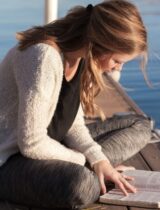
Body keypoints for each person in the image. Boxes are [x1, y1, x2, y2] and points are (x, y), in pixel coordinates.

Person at [0, 0, 152, 209]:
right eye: (117, 61)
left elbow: (73, 125)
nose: (118, 69)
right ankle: (92, 174)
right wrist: (84, 160)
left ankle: (99, 170)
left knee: (140, 125)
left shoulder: (79, 57)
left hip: (51, 146)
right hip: (10, 161)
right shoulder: (43, 57)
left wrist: (99, 160)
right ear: (99, 43)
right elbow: (31, 143)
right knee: (81, 185)